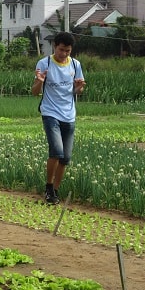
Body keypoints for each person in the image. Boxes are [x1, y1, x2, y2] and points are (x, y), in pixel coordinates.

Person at [31, 32, 86, 205]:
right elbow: (35, 92)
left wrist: (79, 88)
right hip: (50, 113)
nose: (64, 54)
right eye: (61, 50)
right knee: (56, 151)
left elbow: (78, 91)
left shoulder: (76, 65)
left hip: (69, 115)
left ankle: (55, 190)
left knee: (65, 158)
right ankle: (48, 187)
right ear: (55, 46)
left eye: (68, 51)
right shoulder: (44, 63)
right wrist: (40, 81)